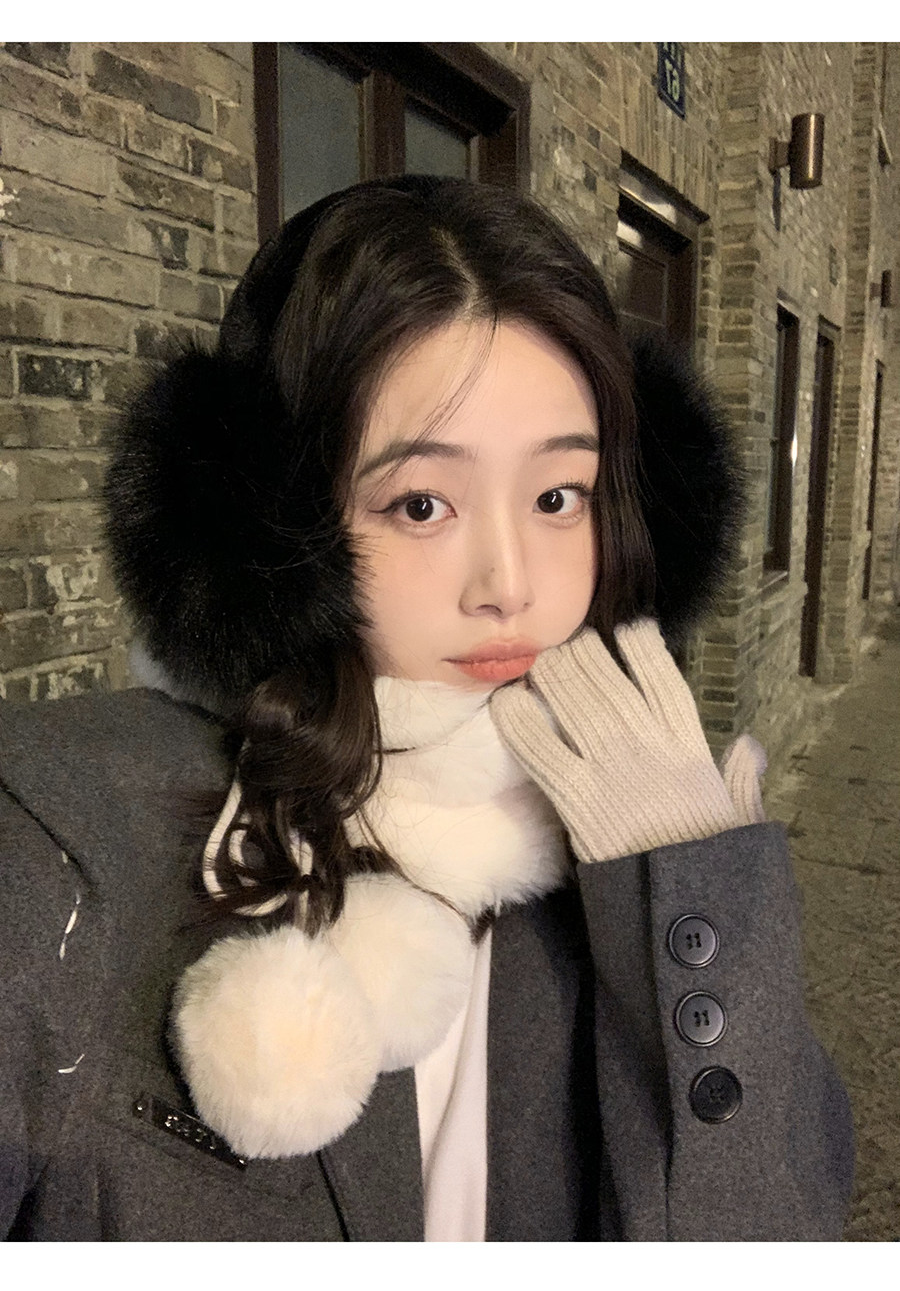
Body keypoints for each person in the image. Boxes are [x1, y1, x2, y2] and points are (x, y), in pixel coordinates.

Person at [0, 175, 852, 1241]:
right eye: (421, 504)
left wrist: (692, 894)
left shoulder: (625, 821)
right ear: (268, 522)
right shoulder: (59, 845)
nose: (509, 583)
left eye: (558, 497)